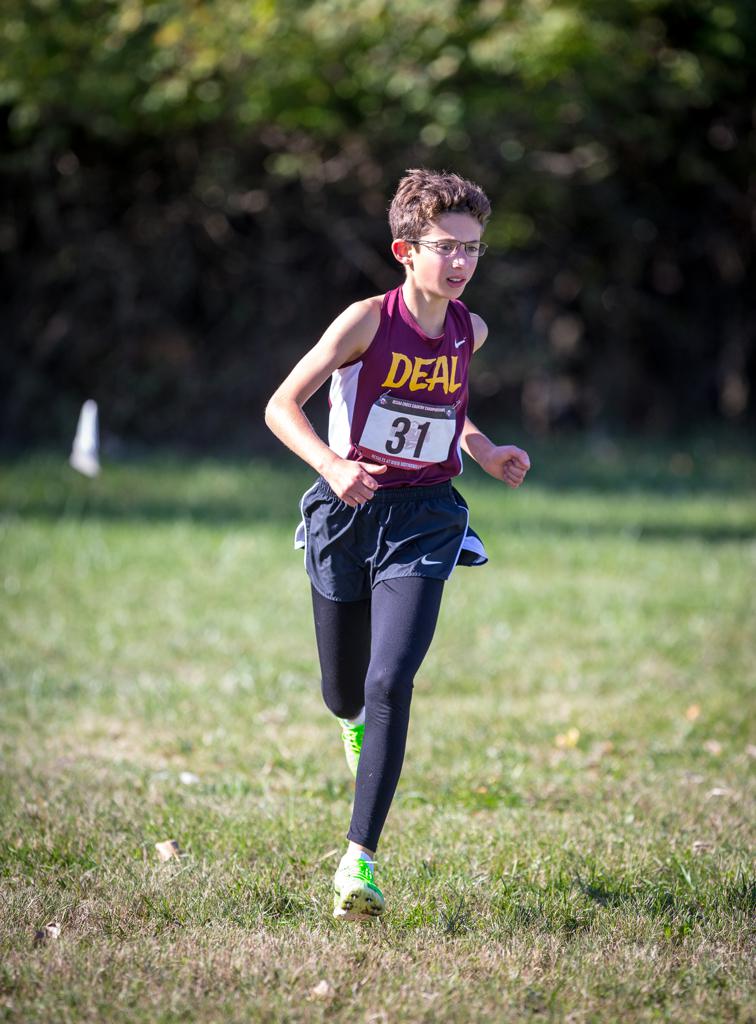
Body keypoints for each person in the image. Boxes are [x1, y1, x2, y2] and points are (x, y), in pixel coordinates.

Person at [264, 168, 530, 922]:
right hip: (347, 511)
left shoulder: (467, 329)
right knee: (345, 693)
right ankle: (351, 724)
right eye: (447, 248)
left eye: (474, 249)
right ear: (405, 250)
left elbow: (449, 408)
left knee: (390, 682)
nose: (462, 263)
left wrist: (484, 452)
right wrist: (332, 466)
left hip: (425, 517)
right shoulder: (364, 323)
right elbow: (281, 405)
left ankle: (360, 863)